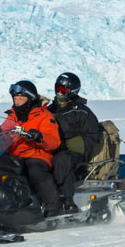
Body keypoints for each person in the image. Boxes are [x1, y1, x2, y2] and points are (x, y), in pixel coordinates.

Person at [1, 79, 64, 216]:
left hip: (36, 154)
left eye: (20, 98)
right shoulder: (12, 115)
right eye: (15, 98)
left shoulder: (44, 115)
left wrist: (39, 137)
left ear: (29, 98)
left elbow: (54, 141)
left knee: (35, 170)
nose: (17, 102)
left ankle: (52, 205)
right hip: (14, 154)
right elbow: (4, 132)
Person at [47, 72, 102, 214]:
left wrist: (65, 144)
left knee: (61, 159)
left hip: (74, 155)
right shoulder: (49, 110)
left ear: (72, 92)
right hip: (49, 149)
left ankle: (67, 200)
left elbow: (91, 138)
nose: (59, 93)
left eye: (63, 90)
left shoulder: (82, 112)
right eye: (57, 88)